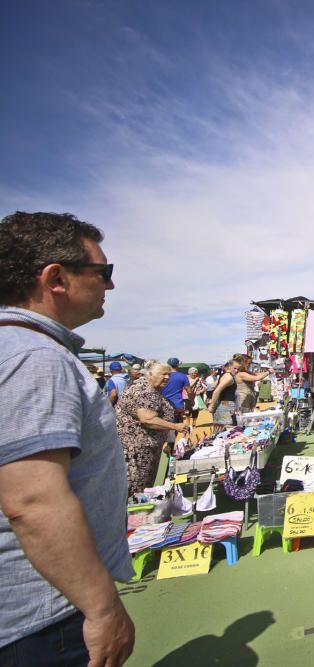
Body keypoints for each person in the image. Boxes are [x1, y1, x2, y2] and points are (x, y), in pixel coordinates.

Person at [0, 211, 134, 666]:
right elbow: (34, 501)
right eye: (103, 272)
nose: (109, 286)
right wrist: (100, 607)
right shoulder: (35, 358)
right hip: (45, 616)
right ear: (56, 277)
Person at [116, 362, 187, 495]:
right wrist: (175, 426)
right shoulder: (144, 390)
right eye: (163, 374)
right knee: (137, 488)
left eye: (168, 374)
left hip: (145, 447)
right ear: (149, 374)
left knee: (143, 488)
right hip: (137, 449)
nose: (167, 378)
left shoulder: (149, 389)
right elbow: (147, 419)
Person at [207, 360, 241, 425]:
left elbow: (213, 386)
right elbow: (216, 391)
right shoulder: (229, 378)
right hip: (226, 407)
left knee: (221, 429)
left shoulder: (223, 375)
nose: (236, 371)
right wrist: (212, 405)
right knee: (227, 430)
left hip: (222, 406)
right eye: (235, 368)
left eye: (238, 369)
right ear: (229, 366)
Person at [162, 357, 189, 422]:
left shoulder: (162, 375)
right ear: (178, 365)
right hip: (177, 405)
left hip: (162, 404)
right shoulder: (183, 376)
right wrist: (192, 400)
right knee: (175, 427)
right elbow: (189, 391)